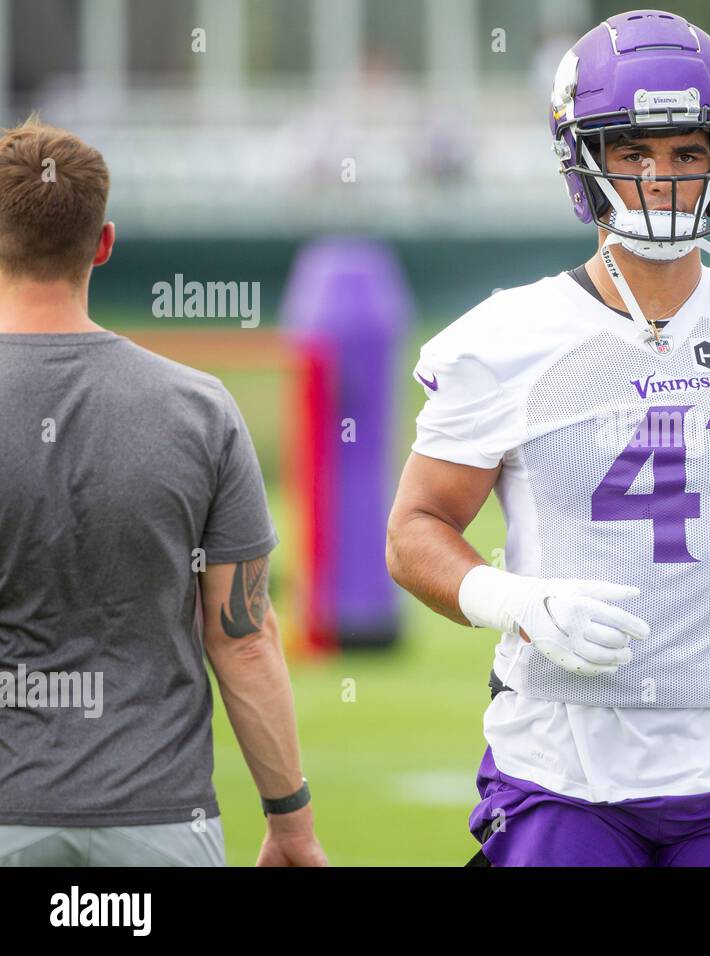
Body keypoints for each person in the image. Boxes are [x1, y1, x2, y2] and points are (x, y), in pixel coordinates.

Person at [387, 9, 710, 867]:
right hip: (561, 763)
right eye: (632, 152)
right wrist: (514, 601)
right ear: (585, 160)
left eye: (686, 152)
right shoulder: (508, 339)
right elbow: (415, 533)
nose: (661, 179)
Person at [0, 116, 326, 867]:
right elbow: (243, 640)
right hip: (158, 823)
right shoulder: (199, 409)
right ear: (105, 243)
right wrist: (291, 826)